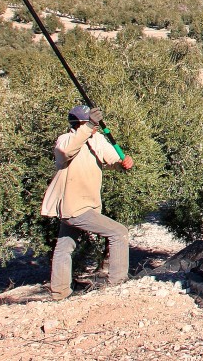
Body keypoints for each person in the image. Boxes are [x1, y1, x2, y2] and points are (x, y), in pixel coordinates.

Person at [40, 105, 134, 301]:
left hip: (83, 206)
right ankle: (117, 284)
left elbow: (113, 160)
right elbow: (66, 152)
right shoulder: (65, 140)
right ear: (79, 124)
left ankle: (59, 293)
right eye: (90, 123)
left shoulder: (97, 140)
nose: (95, 127)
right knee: (119, 233)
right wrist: (88, 127)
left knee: (64, 247)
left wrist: (123, 164)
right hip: (74, 207)